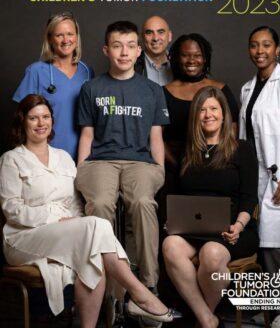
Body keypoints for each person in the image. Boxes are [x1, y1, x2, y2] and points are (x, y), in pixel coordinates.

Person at [0, 94, 180, 328]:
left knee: (94, 255)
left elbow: (76, 202)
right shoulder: (12, 159)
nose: (41, 123)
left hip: (65, 233)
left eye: (45, 117)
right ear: (23, 122)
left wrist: (70, 222)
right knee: (97, 225)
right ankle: (140, 294)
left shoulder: (64, 158)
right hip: (22, 238)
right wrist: (56, 217)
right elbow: (12, 209)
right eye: (33, 118)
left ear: (52, 121)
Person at [75, 21, 169, 294]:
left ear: (139, 50)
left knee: (141, 202)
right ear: (106, 50)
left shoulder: (152, 91)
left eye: (130, 46)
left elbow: (155, 137)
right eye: (117, 46)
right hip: (100, 162)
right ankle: (110, 290)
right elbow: (87, 135)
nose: (124, 52)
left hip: (141, 162)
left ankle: (149, 285)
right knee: (101, 204)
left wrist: (159, 169)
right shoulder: (92, 88)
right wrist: (81, 168)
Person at [163, 86, 259, 328]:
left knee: (212, 254)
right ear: (196, 116)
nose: (208, 115)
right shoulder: (189, 152)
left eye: (214, 108)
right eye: (202, 110)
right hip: (194, 230)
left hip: (233, 231)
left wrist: (239, 225)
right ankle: (208, 319)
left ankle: (203, 317)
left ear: (224, 114)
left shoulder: (242, 149)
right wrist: (172, 220)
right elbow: (178, 194)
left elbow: (250, 198)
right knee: (170, 245)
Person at [239, 26, 280, 328]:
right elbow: (244, 137)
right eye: (254, 45)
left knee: (274, 248)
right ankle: (267, 306)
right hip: (253, 174)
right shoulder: (247, 87)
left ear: (277, 49)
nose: (260, 51)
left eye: (266, 45)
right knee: (256, 242)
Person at [12, 11, 94, 161]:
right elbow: (21, 119)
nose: (65, 40)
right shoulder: (36, 72)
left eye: (70, 34)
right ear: (50, 39)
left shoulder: (87, 72)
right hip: (46, 154)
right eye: (59, 35)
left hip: (83, 154)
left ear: (77, 37)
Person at [163, 33, 239, 175]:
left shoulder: (220, 89)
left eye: (197, 55)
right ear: (177, 58)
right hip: (174, 168)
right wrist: (178, 167)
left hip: (217, 166)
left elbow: (232, 130)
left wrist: (217, 161)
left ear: (205, 59)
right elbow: (157, 138)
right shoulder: (163, 92)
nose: (191, 60)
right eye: (185, 55)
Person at [135, 16, 173, 85]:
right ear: (142, 37)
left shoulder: (180, 64)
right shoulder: (132, 65)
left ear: (169, 36)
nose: (155, 38)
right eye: (149, 33)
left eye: (161, 32)